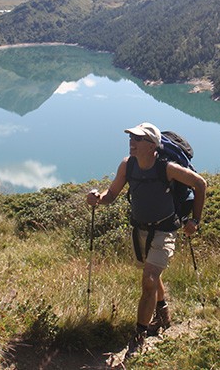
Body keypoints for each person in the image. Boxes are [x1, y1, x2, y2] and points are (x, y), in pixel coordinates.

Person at [86, 122, 206, 354]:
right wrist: (97, 198)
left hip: (165, 230)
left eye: (138, 139)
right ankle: (163, 313)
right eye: (131, 138)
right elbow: (111, 195)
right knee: (151, 275)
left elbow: (200, 183)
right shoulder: (127, 165)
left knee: (149, 278)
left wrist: (195, 221)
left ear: (152, 145)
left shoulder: (167, 168)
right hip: (139, 231)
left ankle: (138, 335)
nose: (132, 142)